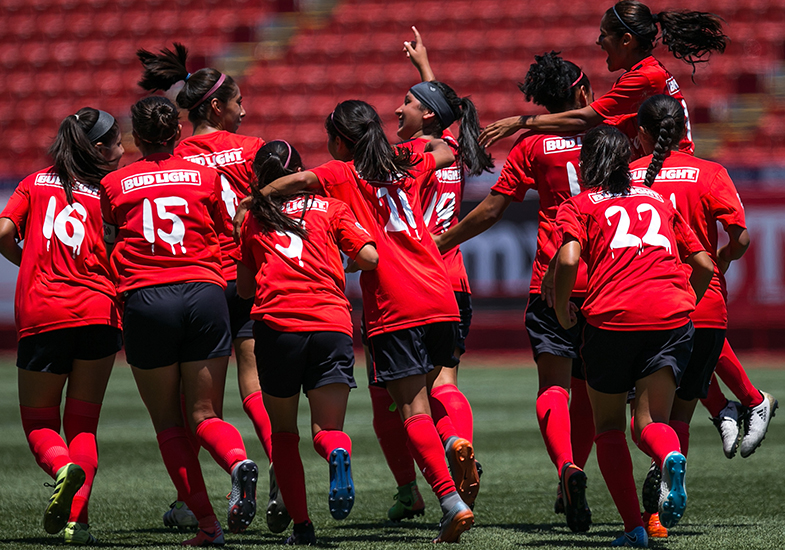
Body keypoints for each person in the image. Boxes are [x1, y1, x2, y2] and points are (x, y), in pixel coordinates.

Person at [236, 100, 475, 543]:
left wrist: (256, 197)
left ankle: (450, 501)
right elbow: (444, 150)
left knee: (411, 409)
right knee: (438, 390)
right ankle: (453, 444)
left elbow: (303, 181)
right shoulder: (407, 162)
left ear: (342, 142)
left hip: (395, 300)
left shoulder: (341, 174)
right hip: (441, 293)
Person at [435, 51, 597, 533]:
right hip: (608, 279)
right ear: (581, 91)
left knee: (554, 388)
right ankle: (578, 477)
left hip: (553, 279)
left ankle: (566, 466)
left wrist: (441, 241)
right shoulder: (612, 137)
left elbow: (491, 210)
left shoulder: (532, 146)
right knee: (594, 393)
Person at [99, 96, 256, 546]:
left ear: (137, 137)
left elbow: (108, 239)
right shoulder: (206, 177)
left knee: (169, 424)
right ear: (177, 133)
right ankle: (237, 461)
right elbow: (229, 230)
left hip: (148, 298)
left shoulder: (114, 183)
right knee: (205, 414)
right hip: (205, 295)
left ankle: (207, 525)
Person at [135, 43, 278, 532]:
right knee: (254, 382)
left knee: (194, 409)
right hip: (251, 276)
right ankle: (281, 470)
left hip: (201, 279)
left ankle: (189, 501)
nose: (244, 111)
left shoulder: (173, 155)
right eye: (238, 102)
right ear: (217, 106)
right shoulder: (255, 148)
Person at [552, 125, 714, 548]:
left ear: (587, 164)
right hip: (671, 320)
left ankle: (633, 529)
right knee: (650, 423)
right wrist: (684, 303)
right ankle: (670, 455)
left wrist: (562, 306)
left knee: (608, 427)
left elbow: (568, 259)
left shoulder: (579, 204)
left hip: (612, 321)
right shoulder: (659, 199)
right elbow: (704, 264)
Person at [370, 27, 493, 521]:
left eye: (406, 103)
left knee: (392, 398)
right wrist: (424, 68)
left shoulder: (406, 159)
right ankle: (458, 441)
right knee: (445, 383)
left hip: (408, 283)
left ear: (425, 114)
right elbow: (443, 108)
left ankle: (410, 489)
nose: (397, 109)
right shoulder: (451, 148)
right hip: (453, 282)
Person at [0, 107, 124, 546]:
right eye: (117, 143)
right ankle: (77, 524)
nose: (122, 150)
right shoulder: (109, 194)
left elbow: (1, 234)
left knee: (39, 422)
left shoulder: (34, 183)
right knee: (83, 425)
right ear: (99, 149)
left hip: (44, 313)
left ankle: (61, 468)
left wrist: (29, 263)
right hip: (100, 312)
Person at [234, 140, 379, 544]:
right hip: (331, 324)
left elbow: (244, 290)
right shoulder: (331, 207)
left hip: (278, 328)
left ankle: (302, 527)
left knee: (284, 434)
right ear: (299, 172)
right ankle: (337, 452)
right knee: (326, 429)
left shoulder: (254, 218)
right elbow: (370, 257)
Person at [626, 93, 755, 538]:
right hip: (703, 305)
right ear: (684, 129)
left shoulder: (628, 175)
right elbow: (741, 238)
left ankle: (653, 511)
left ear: (642, 133)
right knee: (678, 414)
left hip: (645, 305)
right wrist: (721, 260)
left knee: (645, 419)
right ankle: (662, 507)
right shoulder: (711, 172)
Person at [479, 0, 727, 158]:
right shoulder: (641, 74)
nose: (598, 42)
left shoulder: (646, 77)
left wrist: (520, 122)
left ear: (626, 41)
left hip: (668, 171)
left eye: (603, 35)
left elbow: (583, 118)